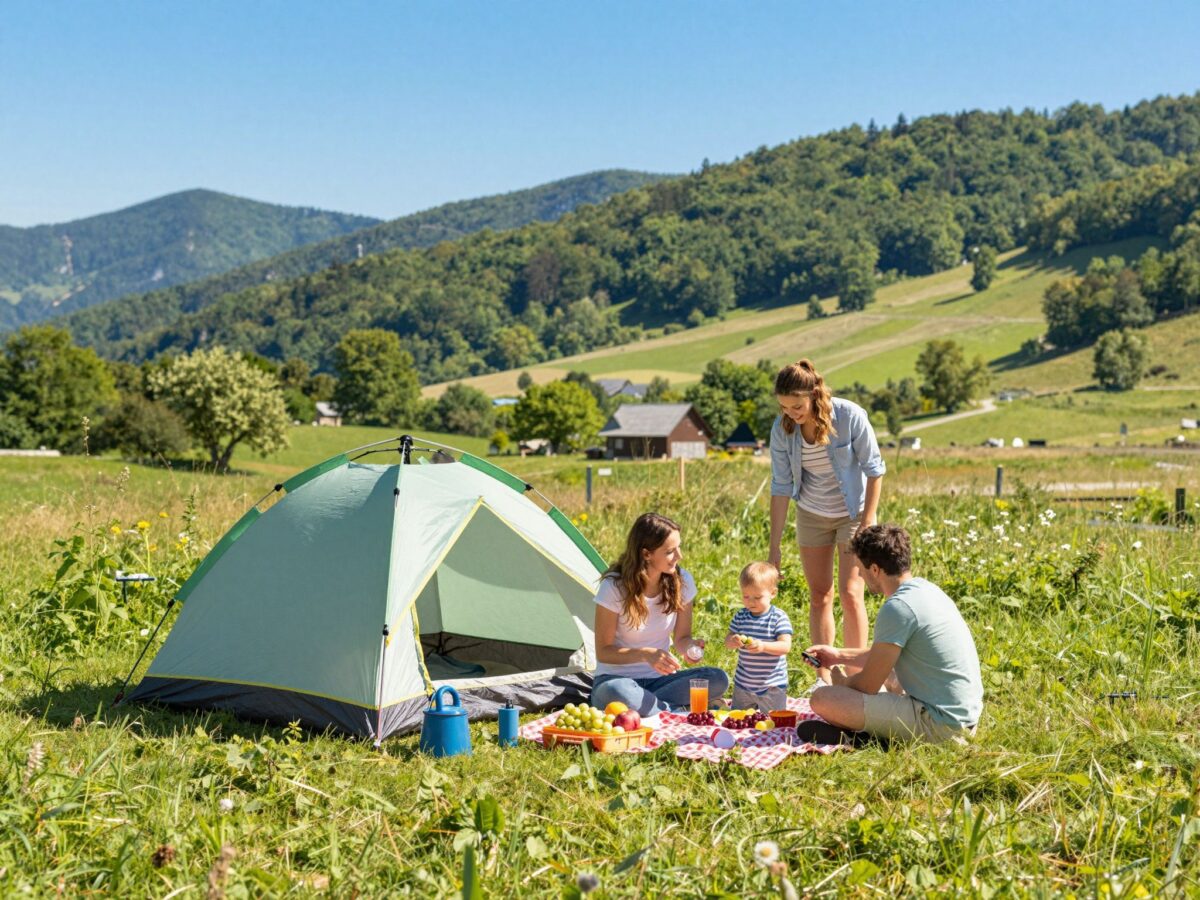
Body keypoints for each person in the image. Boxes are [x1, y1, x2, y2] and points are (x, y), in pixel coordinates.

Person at [805, 524, 984, 744]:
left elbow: (867, 686)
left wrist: (841, 682)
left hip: (941, 727)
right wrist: (838, 655)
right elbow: (884, 654)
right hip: (964, 719)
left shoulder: (898, 608)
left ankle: (868, 739)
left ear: (875, 570)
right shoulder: (926, 589)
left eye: (860, 568)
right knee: (888, 677)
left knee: (823, 699)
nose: (859, 574)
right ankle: (872, 729)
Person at [767, 358, 885, 675]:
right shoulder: (782, 429)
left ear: (814, 393)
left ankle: (855, 675)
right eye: (785, 407)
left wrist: (867, 522)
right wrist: (774, 547)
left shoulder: (850, 416)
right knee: (819, 595)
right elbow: (780, 486)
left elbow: (876, 471)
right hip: (811, 513)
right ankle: (824, 677)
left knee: (850, 592)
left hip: (853, 514)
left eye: (797, 406)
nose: (791, 413)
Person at [590, 512, 729, 716]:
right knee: (620, 693)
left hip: (662, 681)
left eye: (678, 547)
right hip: (615, 681)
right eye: (670, 551)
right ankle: (676, 711)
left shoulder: (682, 581)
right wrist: (646, 654)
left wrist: (689, 648)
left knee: (718, 678)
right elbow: (604, 651)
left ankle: (653, 708)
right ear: (646, 554)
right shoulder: (614, 587)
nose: (679, 556)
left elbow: (681, 638)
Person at [724, 562, 793, 712]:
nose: (751, 601)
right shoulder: (741, 616)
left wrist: (763, 646)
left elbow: (785, 646)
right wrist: (733, 640)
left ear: (773, 593)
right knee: (738, 720)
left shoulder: (778, 617)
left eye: (757, 597)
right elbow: (727, 641)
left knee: (773, 722)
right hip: (743, 684)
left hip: (772, 686)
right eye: (746, 596)